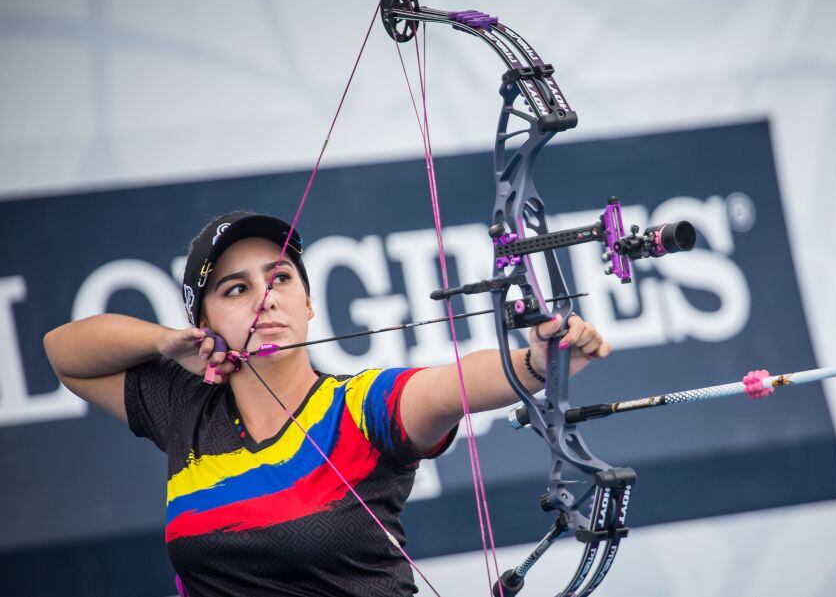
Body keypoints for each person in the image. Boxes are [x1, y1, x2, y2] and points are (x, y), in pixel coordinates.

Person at [43, 211, 611, 597]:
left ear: (309, 302)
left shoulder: (356, 408)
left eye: (280, 278)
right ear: (204, 321)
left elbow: (449, 385)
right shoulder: (185, 409)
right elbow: (63, 352)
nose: (265, 299)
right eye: (236, 289)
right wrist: (164, 342)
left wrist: (537, 363)